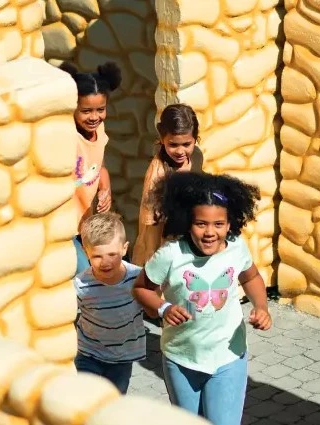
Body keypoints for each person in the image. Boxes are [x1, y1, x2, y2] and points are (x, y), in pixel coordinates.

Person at [132, 171, 272, 425]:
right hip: (181, 358)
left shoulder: (236, 246)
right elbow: (141, 288)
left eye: (219, 224)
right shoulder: (171, 254)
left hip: (228, 357)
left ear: (230, 223)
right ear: (187, 222)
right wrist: (162, 307)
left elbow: (250, 278)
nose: (210, 232)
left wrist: (261, 306)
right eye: (201, 223)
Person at [74, 212, 146, 394]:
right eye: (97, 256)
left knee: (113, 402)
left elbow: (157, 301)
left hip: (122, 357)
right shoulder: (81, 284)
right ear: (85, 252)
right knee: (85, 399)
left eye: (112, 254)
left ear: (124, 248)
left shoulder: (138, 278)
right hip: (88, 353)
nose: (106, 262)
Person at [60, 61, 122, 274]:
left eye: (100, 110)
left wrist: (105, 187)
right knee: (85, 274)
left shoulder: (99, 130)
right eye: (86, 111)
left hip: (84, 223)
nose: (95, 117)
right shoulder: (69, 136)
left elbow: (99, 164)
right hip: (66, 224)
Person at [132, 103, 204, 267]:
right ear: (162, 139)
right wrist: (152, 262)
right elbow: (151, 225)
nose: (180, 151)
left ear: (195, 140)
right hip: (165, 245)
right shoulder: (158, 174)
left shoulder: (197, 157)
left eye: (186, 144)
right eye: (173, 144)